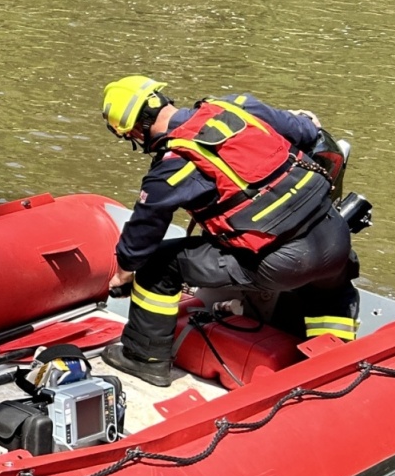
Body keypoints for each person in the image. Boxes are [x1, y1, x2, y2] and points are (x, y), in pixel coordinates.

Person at [97, 77, 358, 386]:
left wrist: (124, 273)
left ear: (135, 132)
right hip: (335, 238)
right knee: (330, 291)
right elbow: (308, 130)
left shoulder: (174, 164)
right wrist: (304, 120)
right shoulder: (238, 107)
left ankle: (145, 359)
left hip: (281, 262)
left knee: (157, 264)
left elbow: (143, 232)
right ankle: (337, 370)